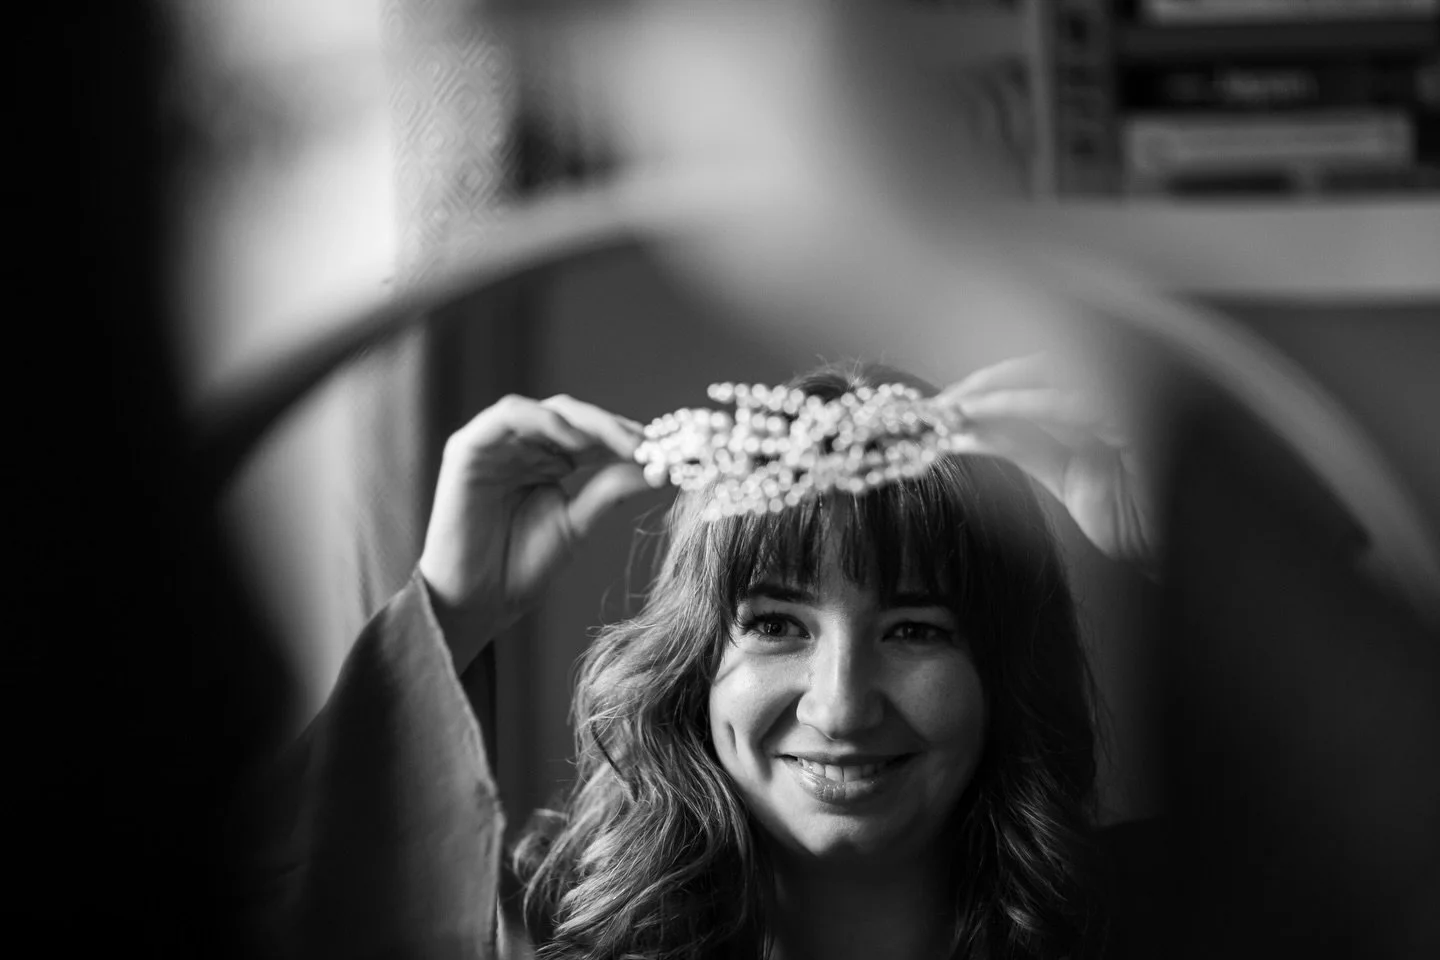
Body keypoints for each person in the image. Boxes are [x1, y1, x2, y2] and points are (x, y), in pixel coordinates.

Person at [236, 356, 1157, 960]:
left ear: (1002, 671)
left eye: (915, 630)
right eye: (776, 625)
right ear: (694, 658)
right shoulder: (542, 933)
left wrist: (1165, 547)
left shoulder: (1155, 918)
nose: (840, 708)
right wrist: (448, 606)